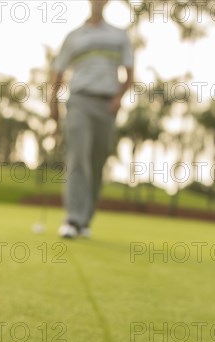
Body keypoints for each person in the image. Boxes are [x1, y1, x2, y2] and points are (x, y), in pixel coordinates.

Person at [50, 0, 134, 238]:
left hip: (106, 105)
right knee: (78, 157)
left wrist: (119, 97)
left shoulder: (119, 36)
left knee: (97, 163)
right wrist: (52, 102)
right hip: (79, 102)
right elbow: (58, 71)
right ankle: (74, 220)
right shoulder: (74, 36)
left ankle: (86, 220)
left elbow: (129, 74)